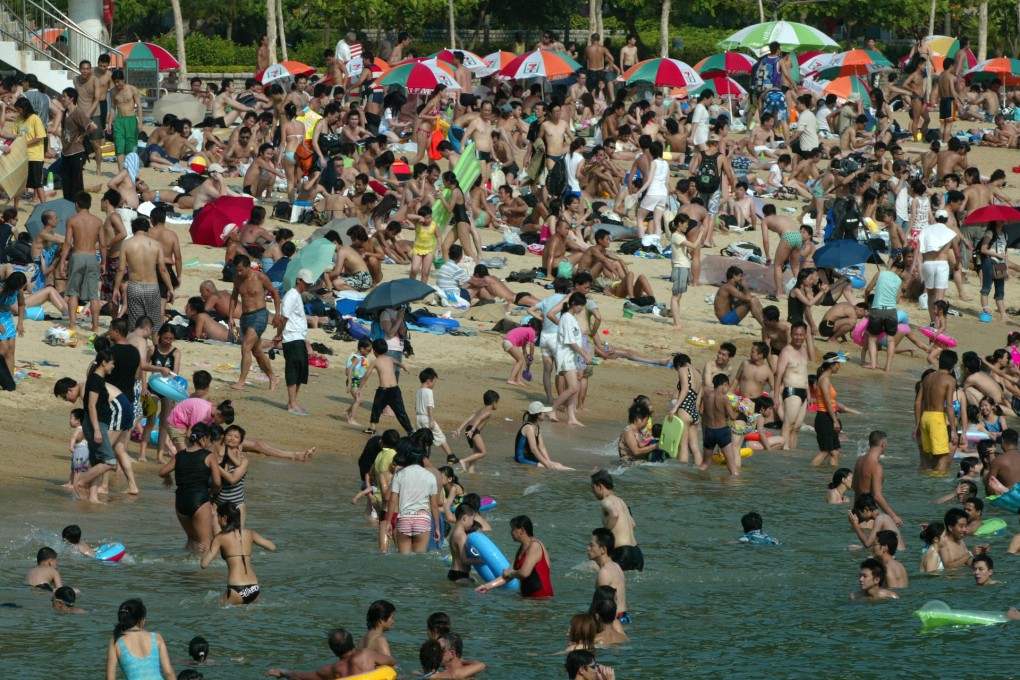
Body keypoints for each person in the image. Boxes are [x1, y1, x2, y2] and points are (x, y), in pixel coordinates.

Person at [157, 423, 222, 553]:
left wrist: (168, 477)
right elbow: (217, 482)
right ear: (204, 438)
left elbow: (162, 472)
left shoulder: (180, 455)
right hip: (199, 499)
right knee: (205, 543)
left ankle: (185, 570)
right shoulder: (208, 455)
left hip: (181, 501)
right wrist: (211, 493)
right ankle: (203, 572)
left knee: (192, 540)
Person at [200, 502, 276, 605]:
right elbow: (272, 547)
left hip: (236, 588)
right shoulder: (249, 533)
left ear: (225, 518)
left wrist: (206, 550)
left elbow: (204, 565)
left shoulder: (220, 538)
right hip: (254, 587)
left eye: (218, 517)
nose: (217, 521)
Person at [227, 254, 281, 392]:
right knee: (257, 352)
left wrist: (277, 314)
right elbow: (234, 297)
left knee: (245, 346)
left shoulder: (260, 277)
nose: (239, 273)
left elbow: (275, 293)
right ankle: (273, 378)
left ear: (248, 267)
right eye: (237, 270)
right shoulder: (237, 279)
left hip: (259, 315)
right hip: (245, 316)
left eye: (241, 270)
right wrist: (231, 317)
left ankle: (241, 382)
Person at [266, 628, 396, 679]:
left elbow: (302, 676)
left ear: (334, 652)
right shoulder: (367, 654)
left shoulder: (332, 670)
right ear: (354, 644)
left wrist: (283, 672)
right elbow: (392, 661)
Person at [60, 192, 105, 333]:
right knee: (93, 294)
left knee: (73, 292)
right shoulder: (97, 221)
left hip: (77, 255)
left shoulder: (72, 220)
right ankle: (95, 326)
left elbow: (67, 242)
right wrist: (103, 261)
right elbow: (103, 244)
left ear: (77, 204)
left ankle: (73, 324)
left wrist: (62, 261)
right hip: (92, 256)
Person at [476, 515, 554, 597]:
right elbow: (507, 576)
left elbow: (524, 573)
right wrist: (486, 586)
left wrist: (509, 573)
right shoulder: (522, 549)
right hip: (528, 597)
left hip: (541, 598)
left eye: (513, 529)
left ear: (522, 531)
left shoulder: (535, 546)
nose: (511, 532)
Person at [549, 292, 593, 426]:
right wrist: (584, 355)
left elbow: (577, 341)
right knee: (573, 388)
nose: (581, 309)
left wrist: (585, 353)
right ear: (573, 304)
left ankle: (571, 417)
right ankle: (552, 409)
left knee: (571, 387)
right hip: (566, 357)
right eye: (580, 306)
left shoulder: (571, 318)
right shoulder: (567, 318)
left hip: (572, 357)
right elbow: (570, 342)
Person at [387, 445, 441, 553]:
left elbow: (392, 500)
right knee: (420, 559)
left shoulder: (399, 474)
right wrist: (437, 528)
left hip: (404, 519)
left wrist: (389, 522)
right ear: (422, 458)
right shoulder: (430, 476)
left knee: (404, 560)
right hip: (422, 519)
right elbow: (434, 505)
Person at [105, 599, 176, 679]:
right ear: (141, 620)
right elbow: (169, 672)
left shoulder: (116, 642)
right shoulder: (156, 637)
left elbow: (110, 678)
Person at [811, 352, 859, 467]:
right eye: (838, 364)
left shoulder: (825, 377)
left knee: (835, 452)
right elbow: (828, 402)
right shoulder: (824, 379)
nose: (839, 367)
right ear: (831, 365)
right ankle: (809, 472)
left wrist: (844, 358)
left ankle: (831, 476)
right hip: (824, 417)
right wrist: (835, 420)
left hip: (828, 417)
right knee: (826, 451)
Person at [914, 350, 959, 472]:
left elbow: (917, 402)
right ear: (953, 365)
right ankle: (936, 486)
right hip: (937, 419)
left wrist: (918, 424)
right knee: (943, 457)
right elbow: (949, 406)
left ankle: (925, 483)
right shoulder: (950, 380)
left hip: (925, 418)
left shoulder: (928, 377)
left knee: (929, 460)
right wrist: (954, 431)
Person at [279, 268, 314, 415]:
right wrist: (278, 334)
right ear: (299, 280)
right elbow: (284, 317)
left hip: (298, 337)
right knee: (293, 370)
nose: (308, 286)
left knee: (300, 371)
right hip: (292, 337)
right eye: (306, 284)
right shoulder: (291, 295)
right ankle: (292, 404)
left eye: (309, 284)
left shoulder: (297, 295)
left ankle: (293, 402)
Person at [362, 338, 413, 436]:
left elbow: (366, 376)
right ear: (385, 350)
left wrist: (360, 388)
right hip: (395, 389)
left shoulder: (374, 362)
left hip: (383, 390)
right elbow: (398, 363)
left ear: (374, 351)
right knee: (400, 412)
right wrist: (404, 367)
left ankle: (372, 428)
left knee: (376, 408)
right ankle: (410, 431)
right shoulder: (389, 358)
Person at [852, 430, 902, 525]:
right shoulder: (876, 467)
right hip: (869, 515)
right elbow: (877, 496)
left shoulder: (859, 460)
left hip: (856, 512)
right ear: (883, 445)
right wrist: (893, 516)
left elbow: (853, 485)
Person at [775, 322, 810, 450]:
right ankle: (784, 453)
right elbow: (778, 375)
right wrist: (776, 397)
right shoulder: (786, 352)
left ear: (805, 335)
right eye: (796, 334)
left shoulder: (803, 350)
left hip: (803, 392)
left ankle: (792, 454)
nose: (798, 337)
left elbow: (804, 372)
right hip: (791, 391)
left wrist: (809, 394)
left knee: (796, 428)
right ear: (791, 334)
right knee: (788, 425)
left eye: (801, 335)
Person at [513, 401, 572, 470]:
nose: (546, 414)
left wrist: (549, 461)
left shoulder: (536, 427)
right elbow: (534, 449)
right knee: (556, 467)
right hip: (522, 459)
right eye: (544, 412)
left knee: (557, 465)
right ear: (538, 415)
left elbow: (542, 447)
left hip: (530, 457)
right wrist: (547, 464)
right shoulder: (529, 428)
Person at [451, 389, 500, 472]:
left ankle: (471, 471)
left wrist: (459, 429)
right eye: (497, 402)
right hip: (474, 431)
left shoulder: (481, 409)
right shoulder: (489, 411)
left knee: (476, 453)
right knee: (483, 452)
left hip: (469, 429)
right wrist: (473, 430)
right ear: (494, 402)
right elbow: (480, 419)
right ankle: (463, 461)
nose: (498, 405)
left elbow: (470, 418)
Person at [588, 528, 629, 623]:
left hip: (614, 620)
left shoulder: (605, 572)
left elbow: (603, 607)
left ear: (603, 550)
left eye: (592, 545)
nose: (588, 548)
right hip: (624, 617)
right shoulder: (616, 566)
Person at [415, 368, 453, 461]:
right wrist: (432, 420)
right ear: (429, 381)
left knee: (423, 439)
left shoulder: (418, 391)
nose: (435, 384)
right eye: (434, 381)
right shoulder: (429, 391)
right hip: (426, 417)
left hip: (418, 417)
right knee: (439, 436)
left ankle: (423, 457)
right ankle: (450, 456)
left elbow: (415, 406)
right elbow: (430, 407)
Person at [345, 338, 372, 425]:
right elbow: (349, 370)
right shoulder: (356, 358)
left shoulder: (359, 357)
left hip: (357, 381)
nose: (370, 351)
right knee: (358, 400)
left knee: (360, 401)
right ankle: (351, 419)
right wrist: (349, 384)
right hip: (353, 381)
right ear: (362, 349)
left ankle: (347, 412)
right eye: (369, 350)